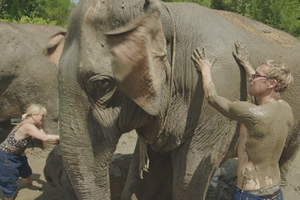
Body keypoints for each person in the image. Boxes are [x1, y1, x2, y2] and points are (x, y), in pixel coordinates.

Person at [192, 42, 294, 200]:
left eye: (256, 76)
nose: (252, 79)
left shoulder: (251, 113)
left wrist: (205, 69)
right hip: (275, 192)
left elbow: (212, 98)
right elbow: (263, 91)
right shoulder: (287, 110)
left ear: (271, 83)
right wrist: (246, 64)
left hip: (250, 195)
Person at [0, 104, 60, 200]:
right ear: (34, 115)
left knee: (27, 175)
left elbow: (43, 134)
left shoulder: (29, 123)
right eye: (42, 115)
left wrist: (39, 126)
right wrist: (63, 137)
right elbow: (45, 138)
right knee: (9, 186)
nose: (44, 118)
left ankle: (27, 185)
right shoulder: (27, 126)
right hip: (7, 157)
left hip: (19, 154)